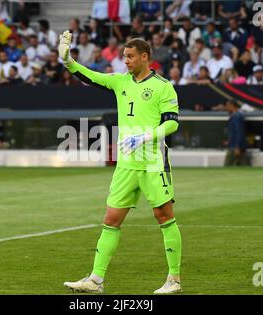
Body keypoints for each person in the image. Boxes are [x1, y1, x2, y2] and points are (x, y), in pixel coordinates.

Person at [59, 31, 182, 294]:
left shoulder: (163, 86)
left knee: (164, 216)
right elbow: (90, 77)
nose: (125, 61)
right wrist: (68, 60)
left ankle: (173, 280)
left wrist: (147, 135)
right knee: (111, 219)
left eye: (129, 56)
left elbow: (172, 122)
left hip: (152, 161)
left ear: (144, 57)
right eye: (124, 56)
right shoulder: (120, 82)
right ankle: (96, 280)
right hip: (126, 164)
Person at [224, 99, 249, 166]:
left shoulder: (236, 117)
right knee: (243, 166)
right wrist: (229, 140)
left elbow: (239, 132)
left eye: (227, 106)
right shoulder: (236, 116)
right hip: (237, 145)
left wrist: (237, 147)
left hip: (235, 147)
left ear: (232, 106)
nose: (226, 108)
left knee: (227, 165)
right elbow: (234, 132)